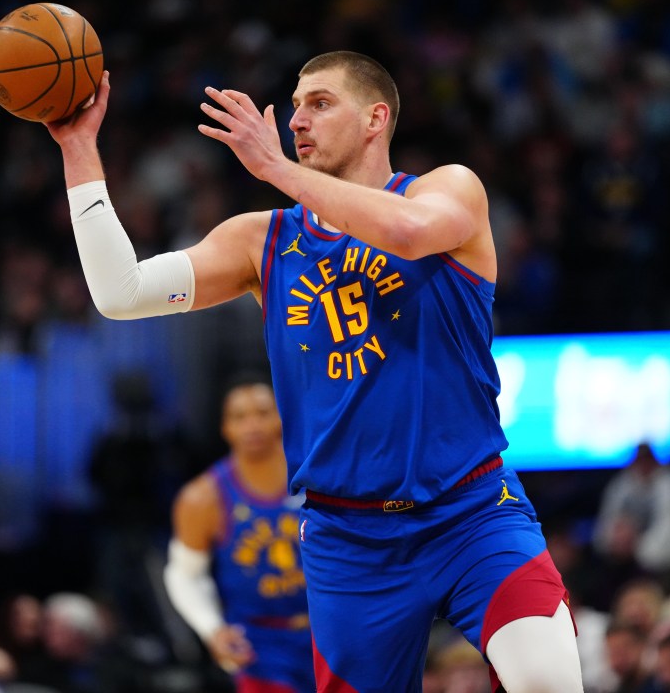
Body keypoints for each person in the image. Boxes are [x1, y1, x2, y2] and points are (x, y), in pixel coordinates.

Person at [47, 50, 582, 691]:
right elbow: (121, 293)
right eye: (295, 105)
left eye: (319, 103)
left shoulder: (446, 189)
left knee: (549, 680)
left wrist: (272, 168)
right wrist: (79, 148)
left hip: (470, 510)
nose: (297, 119)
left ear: (375, 118)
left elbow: (409, 234)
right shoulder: (262, 240)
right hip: (348, 539)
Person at [163, 379, 313, 693]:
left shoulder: (316, 477)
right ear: (225, 428)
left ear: (282, 418)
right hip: (261, 645)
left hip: (329, 633)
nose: (252, 425)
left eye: (262, 413)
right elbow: (183, 575)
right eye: (239, 417)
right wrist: (212, 629)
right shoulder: (202, 498)